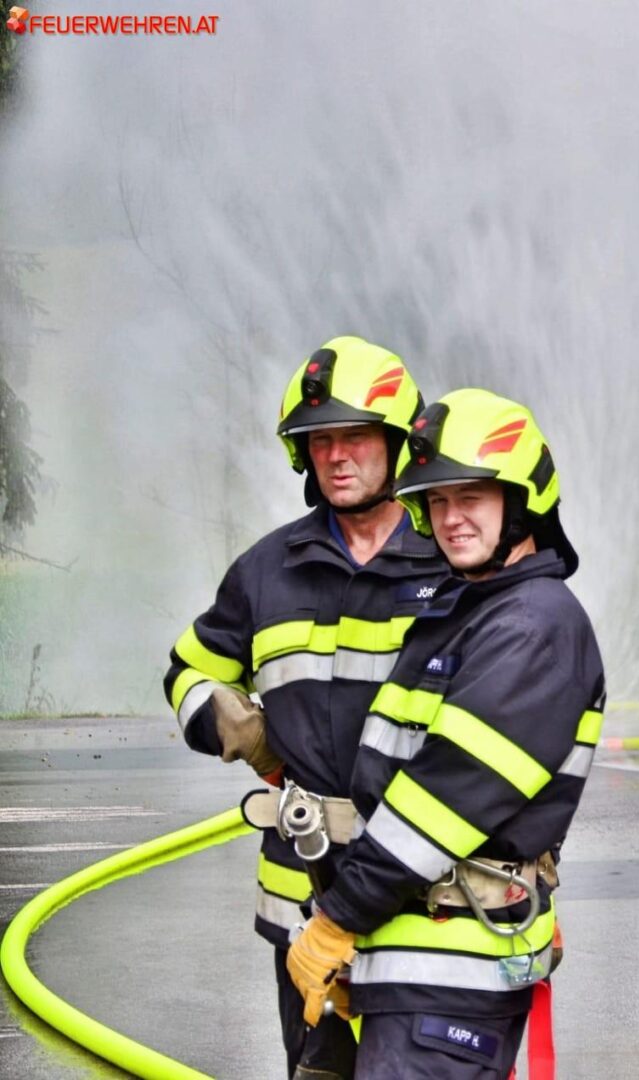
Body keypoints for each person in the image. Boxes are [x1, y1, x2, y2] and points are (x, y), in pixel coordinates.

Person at [284, 388, 606, 1080]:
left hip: (449, 976)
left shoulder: (535, 625)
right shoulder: (468, 613)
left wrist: (338, 918)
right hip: (410, 964)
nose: (451, 519)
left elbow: (444, 802)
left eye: (472, 499)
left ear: (520, 503)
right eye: (437, 501)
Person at [161, 336, 446, 1079]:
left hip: (425, 891)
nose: (337, 455)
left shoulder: (449, 568)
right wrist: (239, 731)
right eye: (320, 441)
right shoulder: (266, 570)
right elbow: (190, 670)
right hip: (302, 889)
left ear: (396, 443)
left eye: (355, 436)